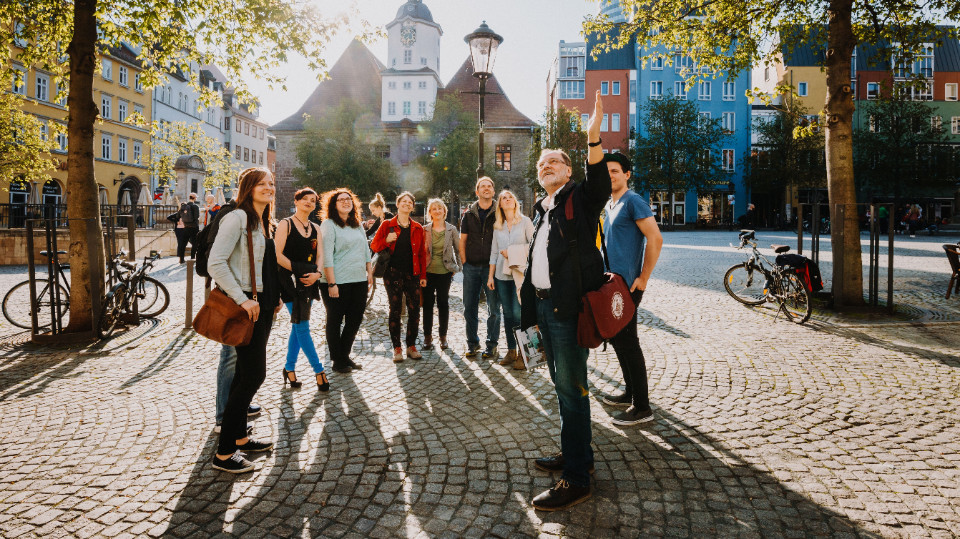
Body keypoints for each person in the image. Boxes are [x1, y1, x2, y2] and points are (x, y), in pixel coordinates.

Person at [520, 91, 608, 511]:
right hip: (543, 308)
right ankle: (579, 457)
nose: (546, 166)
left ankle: (576, 479)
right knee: (562, 389)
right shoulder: (543, 209)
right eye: (541, 164)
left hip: (566, 311)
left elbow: (600, 186)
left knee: (573, 392)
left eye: (553, 161)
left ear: (568, 169)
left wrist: (593, 140)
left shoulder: (578, 199)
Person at [207, 167, 280, 473]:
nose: (269, 187)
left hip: (260, 305)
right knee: (253, 375)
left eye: (271, 184)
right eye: (262, 184)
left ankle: (238, 437)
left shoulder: (263, 222)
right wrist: (243, 298)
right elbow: (216, 263)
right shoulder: (236, 217)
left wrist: (271, 300)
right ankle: (223, 454)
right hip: (245, 305)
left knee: (242, 375)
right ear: (248, 187)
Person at [598, 152, 663, 426]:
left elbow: (655, 238)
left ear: (627, 174)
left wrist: (644, 278)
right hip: (612, 285)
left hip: (627, 286)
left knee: (628, 342)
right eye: (607, 171)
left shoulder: (633, 201)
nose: (610, 175)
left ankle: (642, 406)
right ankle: (630, 392)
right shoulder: (610, 204)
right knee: (617, 339)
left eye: (615, 171)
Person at [275, 187, 328, 392]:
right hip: (288, 282)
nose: (309, 202)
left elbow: (320, 255)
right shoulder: (285, 224)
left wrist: (318, 274)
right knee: (303, 326)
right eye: (304, 199)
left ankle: (289, 368)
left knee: (298, 325)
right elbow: (278, 255)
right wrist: (298, 271)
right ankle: (319, 371)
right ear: (296, 201)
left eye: (313, 200)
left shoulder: (315, 228)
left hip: (308, 281)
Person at [319, 188, 374, 373]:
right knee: (335, 320)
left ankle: (344, 355)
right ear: (334, 205)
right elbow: (326, 255)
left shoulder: (357, 224)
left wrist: (369, 272)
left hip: (358, 279)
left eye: (348, 199)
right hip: (336, 281)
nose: (345, 202)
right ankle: (337, 359)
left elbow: (366, 250)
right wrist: (332, 283)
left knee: (355, 319)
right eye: (341, 200)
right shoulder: (328, 224)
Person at [370, 192, 427, 363]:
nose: (407, 204)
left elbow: (422, 254)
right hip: (393, 273)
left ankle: (411, 345)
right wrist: (387, 240)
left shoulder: (417, 227)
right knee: (395, 310)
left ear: (412, 206)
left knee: (415, 310)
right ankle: (397, 348)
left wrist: (423, 275)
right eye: (404, 202)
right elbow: (374, 245)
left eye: (410, 202)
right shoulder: (387, 224)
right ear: (397, 204)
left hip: (413, 273)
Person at [486, 189, 534, 370]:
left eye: (509, 197)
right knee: (507, 314)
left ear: (515, 202)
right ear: (499, 204)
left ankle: (525, 353)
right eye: (503, 198)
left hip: (519, 275)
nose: (506, 199)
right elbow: (493, 252)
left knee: (518, 313)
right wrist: (490, 276)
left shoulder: (525, 222)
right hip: (500, 275)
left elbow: (535, 246)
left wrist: (512, 252)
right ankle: (511, 350)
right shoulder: (498, 226)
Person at [459, 177, 501, 360]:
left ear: (493, 191)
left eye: (489, 186)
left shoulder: (500, 213)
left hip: (492, 268)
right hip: (471, 267)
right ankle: (472, 343)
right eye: (482, 186)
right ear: (477, 192)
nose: (486, 188)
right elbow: (463, 241)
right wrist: (464, 262)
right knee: (469, 307)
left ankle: (491, 345)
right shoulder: (468, 215)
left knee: (493, 308)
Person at [422, 198, 461, 351]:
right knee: (427, 305)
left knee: (443, 304)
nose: (437, 211)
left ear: (444, 211)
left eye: (440, 208)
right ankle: (427, 337)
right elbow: (419, 253)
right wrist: (420, 274)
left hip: (445, 272)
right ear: (430, 212)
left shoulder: (451, 229)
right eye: (434, 209)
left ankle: (443, 336)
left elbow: (458, 249)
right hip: (428, 272)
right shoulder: (424, 229)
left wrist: (457, 268)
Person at [175, 192, 200, 263]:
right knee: (195, 243)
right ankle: (192, 258)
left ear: (189, 198)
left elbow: (177, 216)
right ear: (194, 198)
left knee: (183, 243)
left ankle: (181, 259)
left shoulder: (184, 206)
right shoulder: (195, 206)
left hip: (185, 227)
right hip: (194, 227)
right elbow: (197, 217)